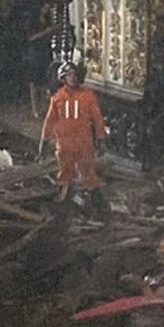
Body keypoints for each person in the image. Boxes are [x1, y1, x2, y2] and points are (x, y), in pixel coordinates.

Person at [41, 61, 107, 214]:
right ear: (63, 78)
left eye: (74, 75)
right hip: (65, 145)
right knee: (65, 174)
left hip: (83, 144)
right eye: (69, 75)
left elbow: (97, 119)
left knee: (88, 174)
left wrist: (101, 138)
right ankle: (65, 207)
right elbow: (49, 121)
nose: (72, 78)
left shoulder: (88, 96)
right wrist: (44, 142)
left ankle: (99, 206)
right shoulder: (57, 98)